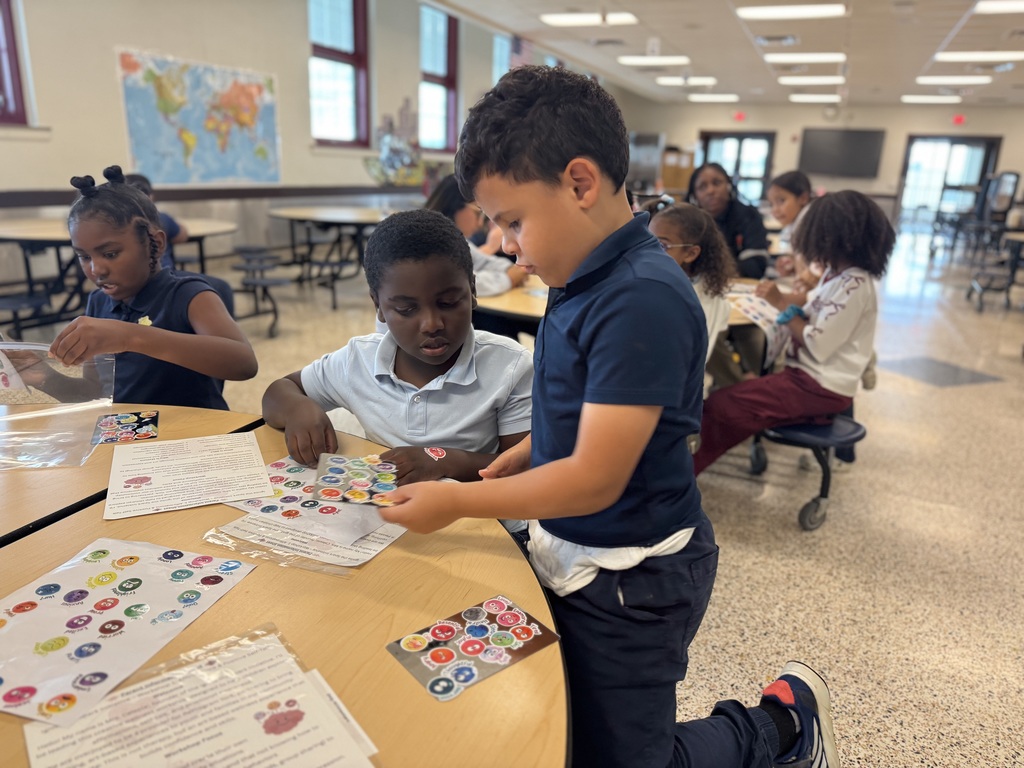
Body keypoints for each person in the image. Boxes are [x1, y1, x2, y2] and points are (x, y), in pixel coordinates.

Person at [377, 65, 840, 768]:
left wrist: (462, 501)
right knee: (569, 724)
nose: (504, 246)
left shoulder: (640, 299)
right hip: (575, 554)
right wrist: (532, 449)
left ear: (581, 183)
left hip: (635, 580)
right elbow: (594, 409)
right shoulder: (581, 273)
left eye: (512, 222)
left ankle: (782, 724)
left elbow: (595, 479)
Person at [261, 209, 533, 532]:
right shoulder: (357, 360)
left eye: (448, 302)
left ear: (472, 290)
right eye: (406, 310)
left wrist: (440, 460)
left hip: (481, 532)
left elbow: (523, 472)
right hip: (388, 529)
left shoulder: (510, 367)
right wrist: (298, 408)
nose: (432, 324)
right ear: (378, 304)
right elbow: (278, 392)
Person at [694, 190, 894, 476]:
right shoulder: (835, 275)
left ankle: (679, 481)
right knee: (725, 403)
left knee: (723, 407)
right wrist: (784, 304)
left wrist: (781, 307)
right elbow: (812, 310)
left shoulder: (855, 286)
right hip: (806, 378)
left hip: (819, 386)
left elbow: (818, 343)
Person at [46, 166, 257, 409]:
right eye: (84, 257)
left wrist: (131, 337)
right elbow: (95, 392)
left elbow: (244, 363)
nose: (96, 269)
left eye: (110, 254)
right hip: (133, 437)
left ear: (154, 242)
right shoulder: (98, 303)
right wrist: (42, 376)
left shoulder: (189, 295)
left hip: (195, 435)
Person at [645, 200, 735, 398]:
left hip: (668, 400)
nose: (648, 251)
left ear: (691, 253)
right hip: (686, 394)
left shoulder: (668, 296)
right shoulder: (713, 292)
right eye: (646, 240)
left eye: (662, 245)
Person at [126, 173, 236, 318]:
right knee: (222, 287)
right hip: (164, 276)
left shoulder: (114, 224)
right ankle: (226, 326)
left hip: (133, 280)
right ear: (150, 197)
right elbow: (182, 235)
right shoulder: (160, 218)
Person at [424, 174, 528, 297]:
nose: (479, 224)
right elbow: (454, 282)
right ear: (456, 205)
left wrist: (510, 269)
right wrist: (508, 278)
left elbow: (482, 261)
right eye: (477, 213)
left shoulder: (455, 240)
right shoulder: (429, 240)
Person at [687, 162, 770, 279]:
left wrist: (709, 272)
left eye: (717, 183)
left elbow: (756, 266)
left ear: (729, 185)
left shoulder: (749, 215)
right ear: (694, 196)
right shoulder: (687, 222)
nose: (710, 191)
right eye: (702, 187)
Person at [765, 170, 813, 278]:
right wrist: (791, 264)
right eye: (771, 204)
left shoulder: (810, 226)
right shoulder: (795, 226)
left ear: (803, 198)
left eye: (781, 201)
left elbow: (813, 274)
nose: (775, 210)